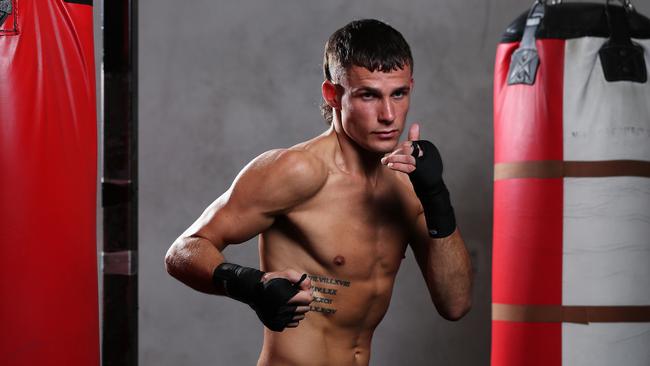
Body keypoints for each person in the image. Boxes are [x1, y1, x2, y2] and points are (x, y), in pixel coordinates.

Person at [165, 18, 473, 366]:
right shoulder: (299, 170)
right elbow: (182, 251)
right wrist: (252, 284)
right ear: (333, 94)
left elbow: (455, 304)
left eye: (398, 94)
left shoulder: (407, 186)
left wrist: (437, 197)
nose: (388, 115)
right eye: (369, 95)